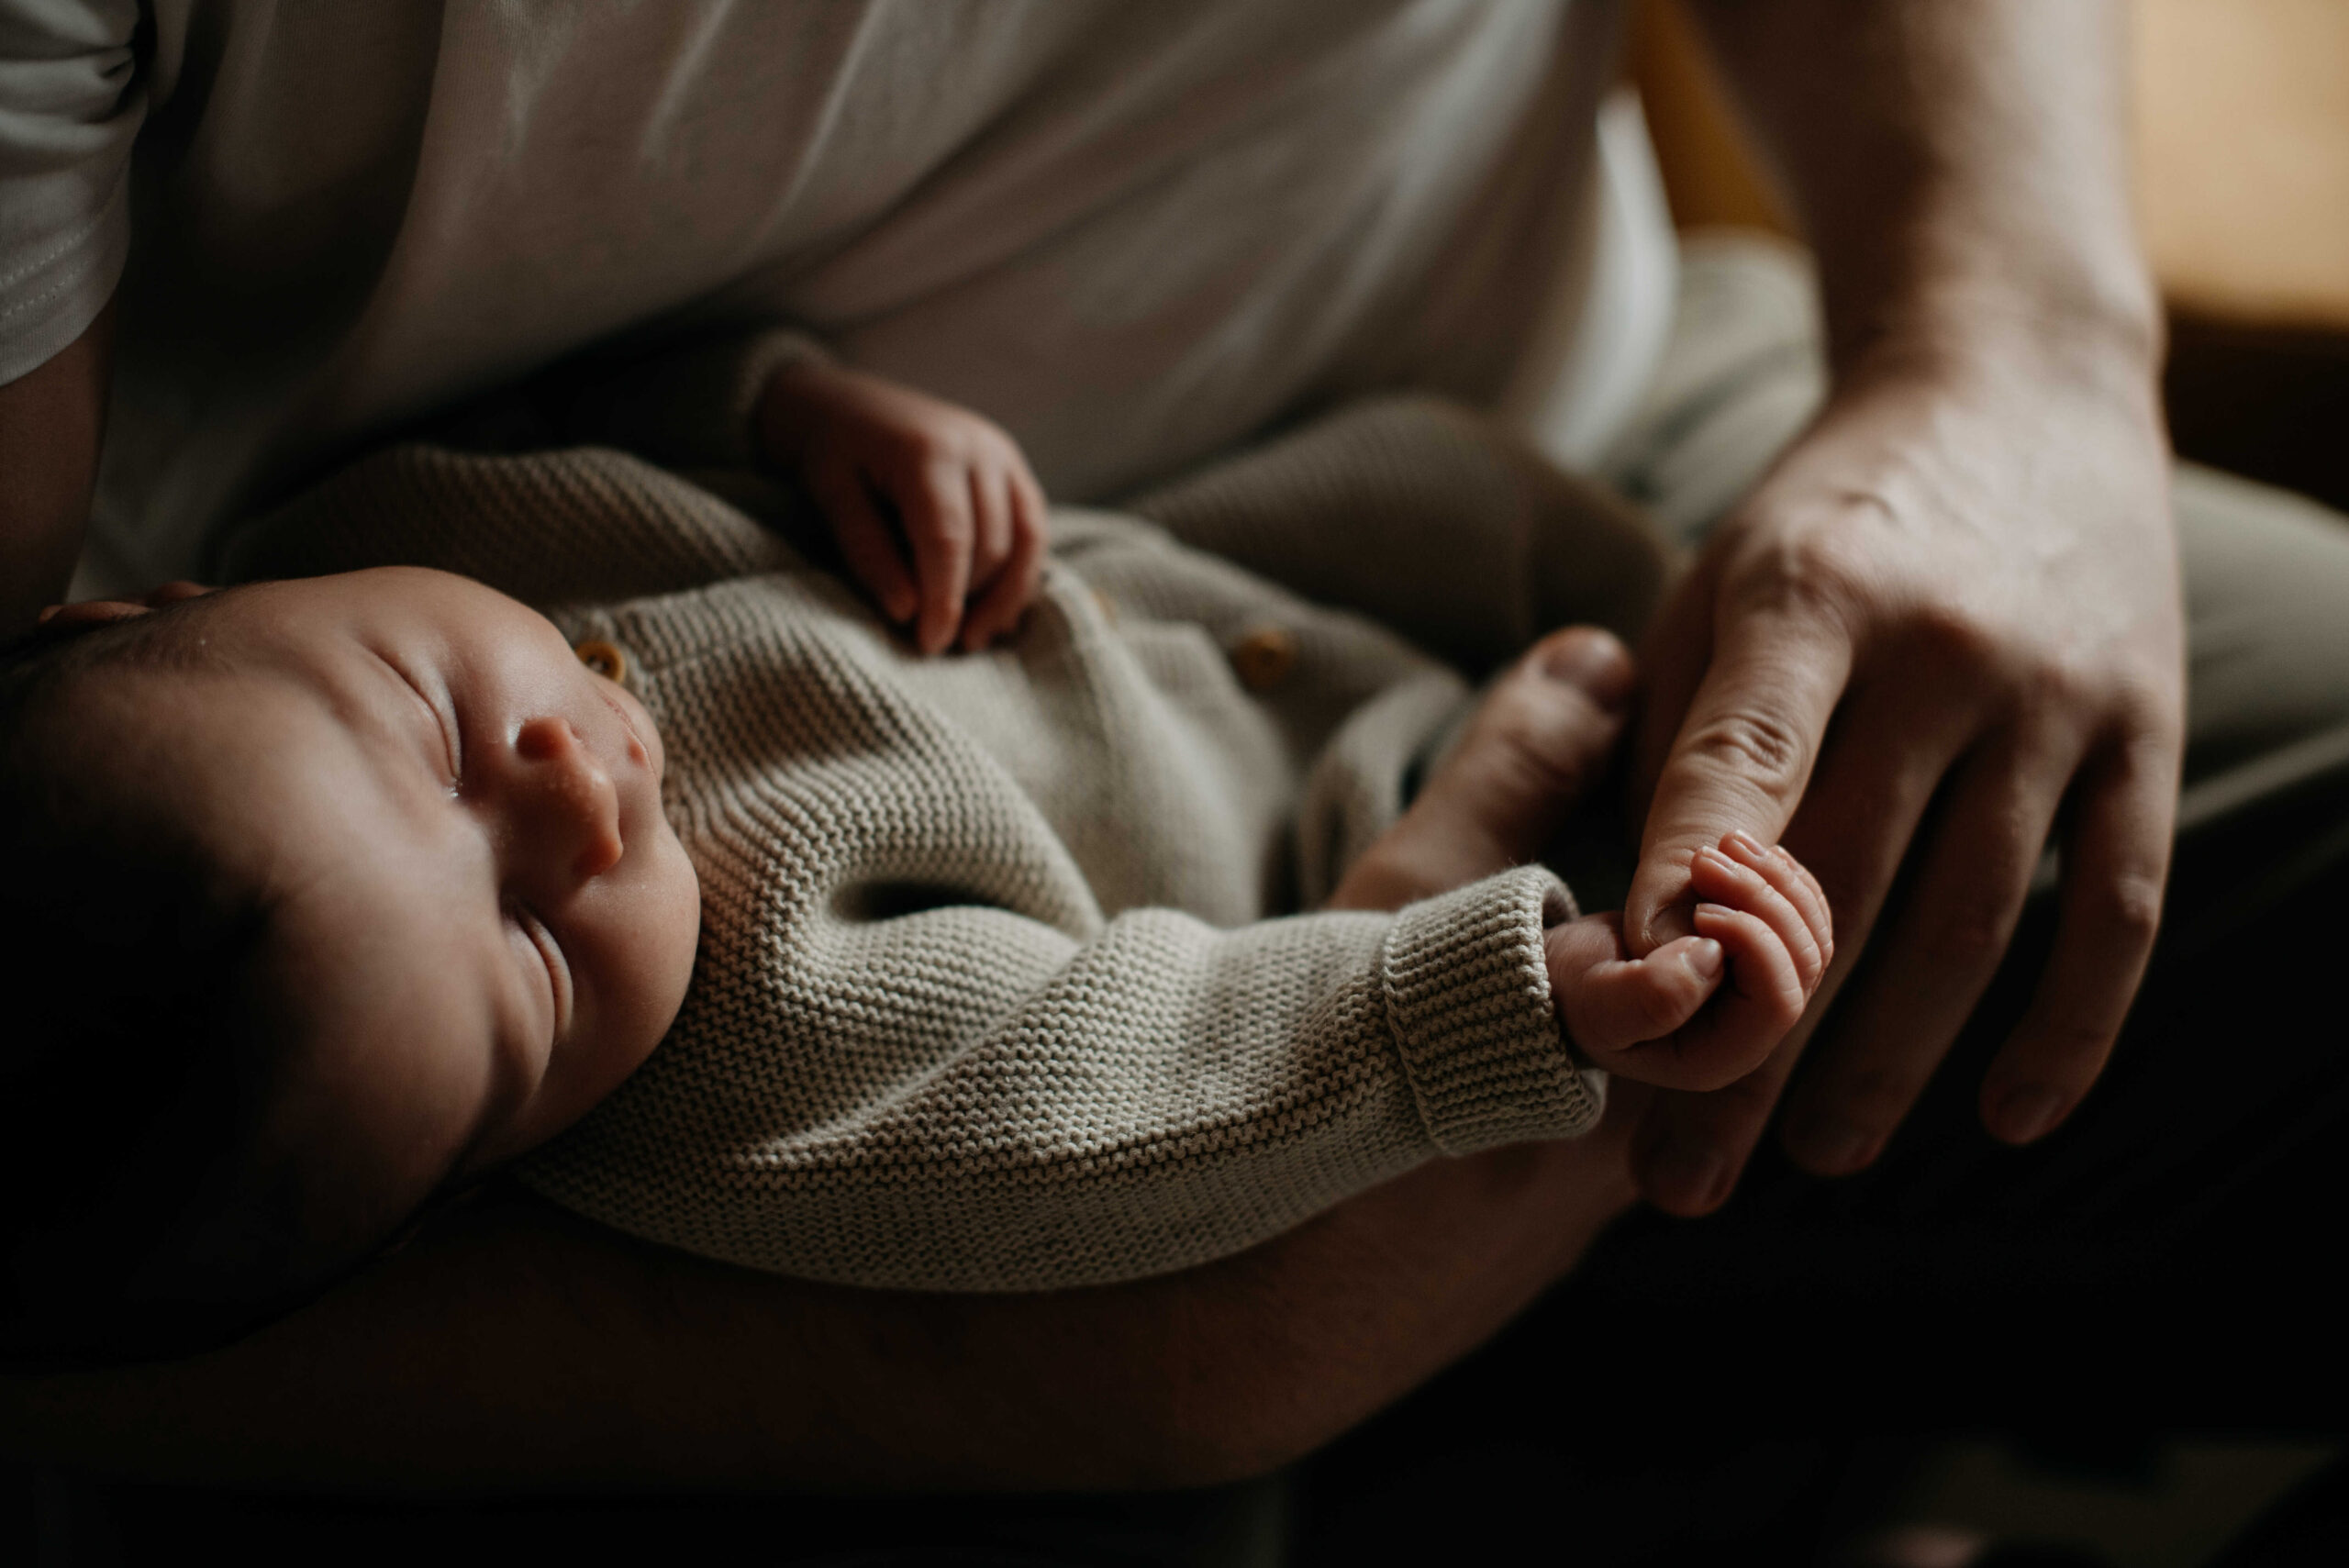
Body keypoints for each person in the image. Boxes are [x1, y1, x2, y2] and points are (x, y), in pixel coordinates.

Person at [0, 381, 1828, 1362]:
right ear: (467, 1182)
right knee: (1661, 786)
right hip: (1301, 832)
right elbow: (1113, 1094)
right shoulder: (751, 1081)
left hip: (1237, 559)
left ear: (163, 601)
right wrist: (1486, 998)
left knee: (1471, 488)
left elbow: (600, 396)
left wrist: (793, 417)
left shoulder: (363, 523)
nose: (571, 816)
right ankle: (1434, 862)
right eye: (530, 970)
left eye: (425, 728)